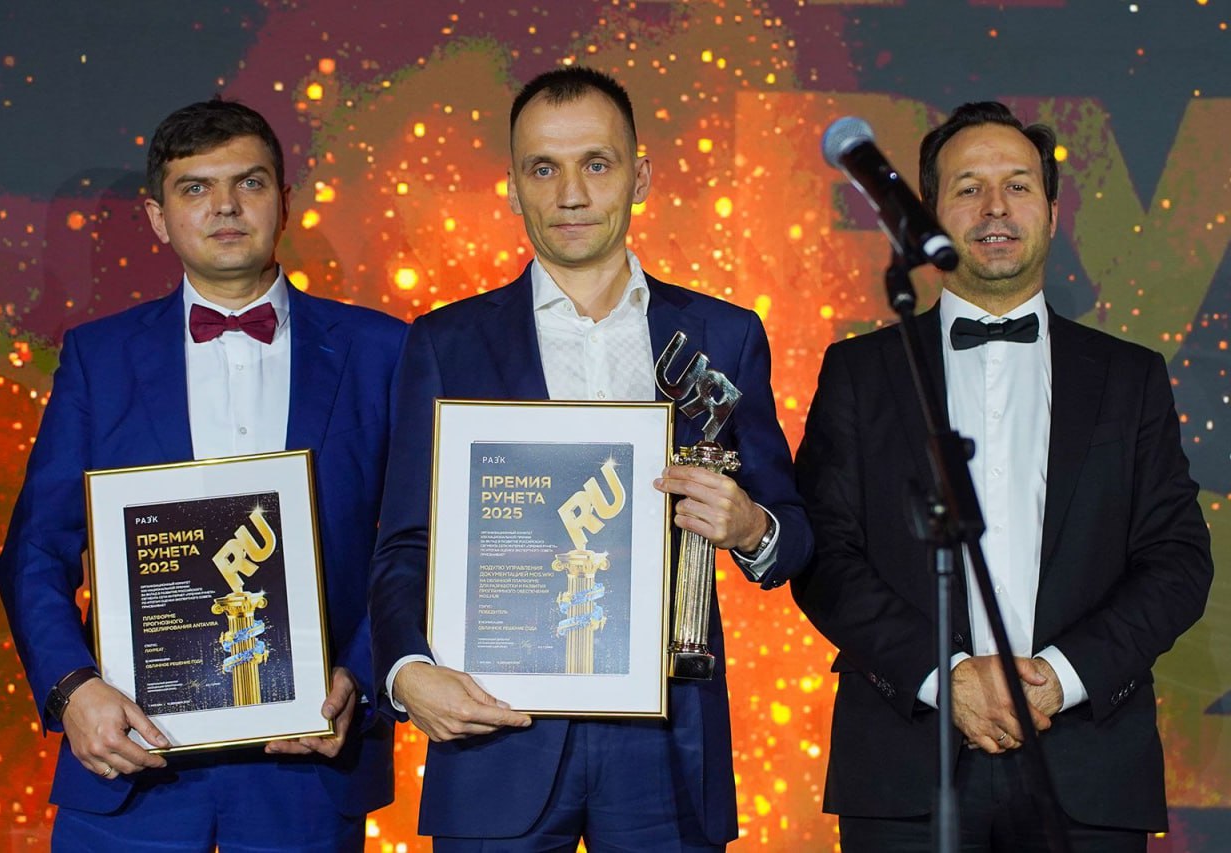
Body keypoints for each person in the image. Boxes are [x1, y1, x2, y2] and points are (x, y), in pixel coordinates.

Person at [368, 67, 812, 850]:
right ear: (514, 187)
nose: (570, 193)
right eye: (543, 168)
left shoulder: (724, 334)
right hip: (497, 727)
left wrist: (750, 526)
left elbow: (795, 535)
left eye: (596, 164)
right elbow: (406, 542)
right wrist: (407, 671)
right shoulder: (444, 342)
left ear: (639, 177)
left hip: (666, 740)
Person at [793, 100, 1213, 851]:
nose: (995, 207)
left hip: (1087, 766)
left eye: (1018, 185)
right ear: (928, 212)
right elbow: (823, 556)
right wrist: (945, 676)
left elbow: (1177, 562)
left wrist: (1059, 677)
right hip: (905, 767)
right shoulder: (860, 372)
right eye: (969, 187)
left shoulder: (1130, 377)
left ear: (1051, 211)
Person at [0, 98, 406, 851]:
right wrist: (72, 689)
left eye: (249, 182)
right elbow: (34, 551)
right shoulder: (97, 358)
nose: (225, 206)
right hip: (130, 764)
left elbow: (416, 544)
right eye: (195, 188)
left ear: (284, 200)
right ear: (158, 217)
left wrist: (361, 674)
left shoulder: (383, 351)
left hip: (309, 765)